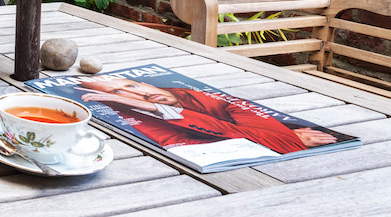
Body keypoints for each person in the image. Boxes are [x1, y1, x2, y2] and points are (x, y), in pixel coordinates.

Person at [78, 77, 337, 154]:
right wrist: (280, 136)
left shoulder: (190, 93)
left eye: (132, 86)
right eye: (118, 93)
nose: (139, 96)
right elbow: (179, 146)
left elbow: (241, 114)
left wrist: (277, 135)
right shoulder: (135, 116)